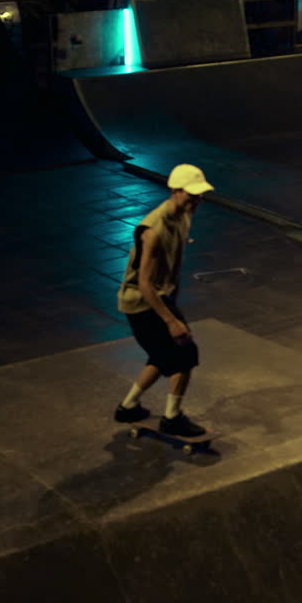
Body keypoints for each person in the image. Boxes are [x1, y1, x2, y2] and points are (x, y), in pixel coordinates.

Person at [113, 164, 213, 437]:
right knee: (184, 354)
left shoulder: (184, 215)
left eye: (199, 195)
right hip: (141, 302)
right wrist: (171, 320)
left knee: (161, 355)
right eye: (191, 195)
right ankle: (172, 417)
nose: (196, 201)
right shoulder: (153, 229)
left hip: (161, 296)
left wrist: (173, 300)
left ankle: (128, 406)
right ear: (174, 191)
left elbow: (175, 263)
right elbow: (144, 282)